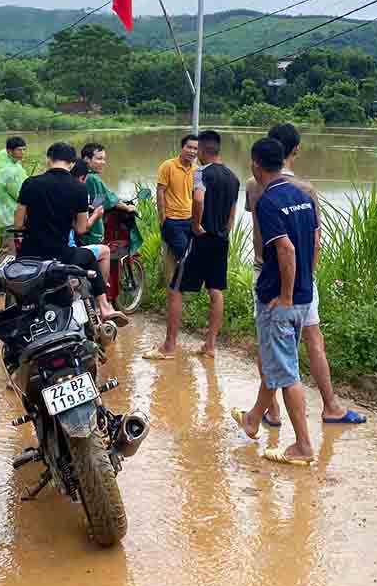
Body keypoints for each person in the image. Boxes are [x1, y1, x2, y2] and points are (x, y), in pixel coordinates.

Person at [248, 123, 365, 426]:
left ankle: (270, 412)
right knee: (313, 340)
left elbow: (263, 234)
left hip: (266, 275)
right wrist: (306, 279)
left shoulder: (253, 185)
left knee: (270, 344)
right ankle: (330, 405)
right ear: (296, 150)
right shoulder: (306, 190)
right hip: (300, 281)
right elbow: (315, 241)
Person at [231, 138, 318, 466]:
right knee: (276, 360)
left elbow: (286, 250)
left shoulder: (268, 202)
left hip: (280, 299)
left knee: (286, 372)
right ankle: (254, 419)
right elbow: (312, 244)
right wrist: (302, 288)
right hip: (303, 295)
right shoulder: (302, 195)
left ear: (255, 164)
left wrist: (283, 295)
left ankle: (303, 446)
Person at [148, 130, 239, 360]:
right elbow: (232, 210)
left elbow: (198, 198)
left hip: (200, 240)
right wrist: (227, 228)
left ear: (202, 151)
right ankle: (209, 346)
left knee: (175, 290)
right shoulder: (233, 177)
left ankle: (169, 347)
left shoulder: (200, 173)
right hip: (221, 240)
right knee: (216, 290)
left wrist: (196, 224)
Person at [15, 143, 126, 323]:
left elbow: (18, 223)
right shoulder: (79, 189)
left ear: (48, 160)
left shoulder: (30, 183)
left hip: (29, 255)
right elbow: (81, 229)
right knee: (90, 257)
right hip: (60, 255)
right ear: (73, 163)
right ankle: (104, 307)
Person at [156, 133, 198, 282]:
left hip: (190, 220)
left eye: (195, 149)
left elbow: (197, 196)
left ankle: (175, 289)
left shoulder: (197, 170)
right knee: (186, 254)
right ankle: (176, 290)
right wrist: (162, 218)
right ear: (182, 147)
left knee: (174, 257)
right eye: (189, 147)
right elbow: (160, 191)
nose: (192, 151)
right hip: (172, 220)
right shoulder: (168, 166)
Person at [79, 142, 136, 247]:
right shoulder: (93, 178)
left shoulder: (78, 175)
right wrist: (127, 208)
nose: (103, 162)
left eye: (103, 159)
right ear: (86, 159)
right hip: (91, 232)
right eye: (99, 159)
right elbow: (107, 199)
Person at [69, 158, 112, 290]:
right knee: (105, 251)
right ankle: (102, 299)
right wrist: (96, 215)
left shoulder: (53, 190)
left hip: (42, 250)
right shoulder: (80, 191)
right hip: (67, 250)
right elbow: (82, 228)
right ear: (82, 177)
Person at [0, 137, 28, 256]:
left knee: (5, 247)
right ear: (9, 151)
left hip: (4, 215)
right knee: (9, 251)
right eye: (19, 150)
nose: (22, 153)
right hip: (11, 216)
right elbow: (20, 194)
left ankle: (1, 271)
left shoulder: (5, 163)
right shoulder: (9, 170)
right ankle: (2, 273)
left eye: (23, 149)